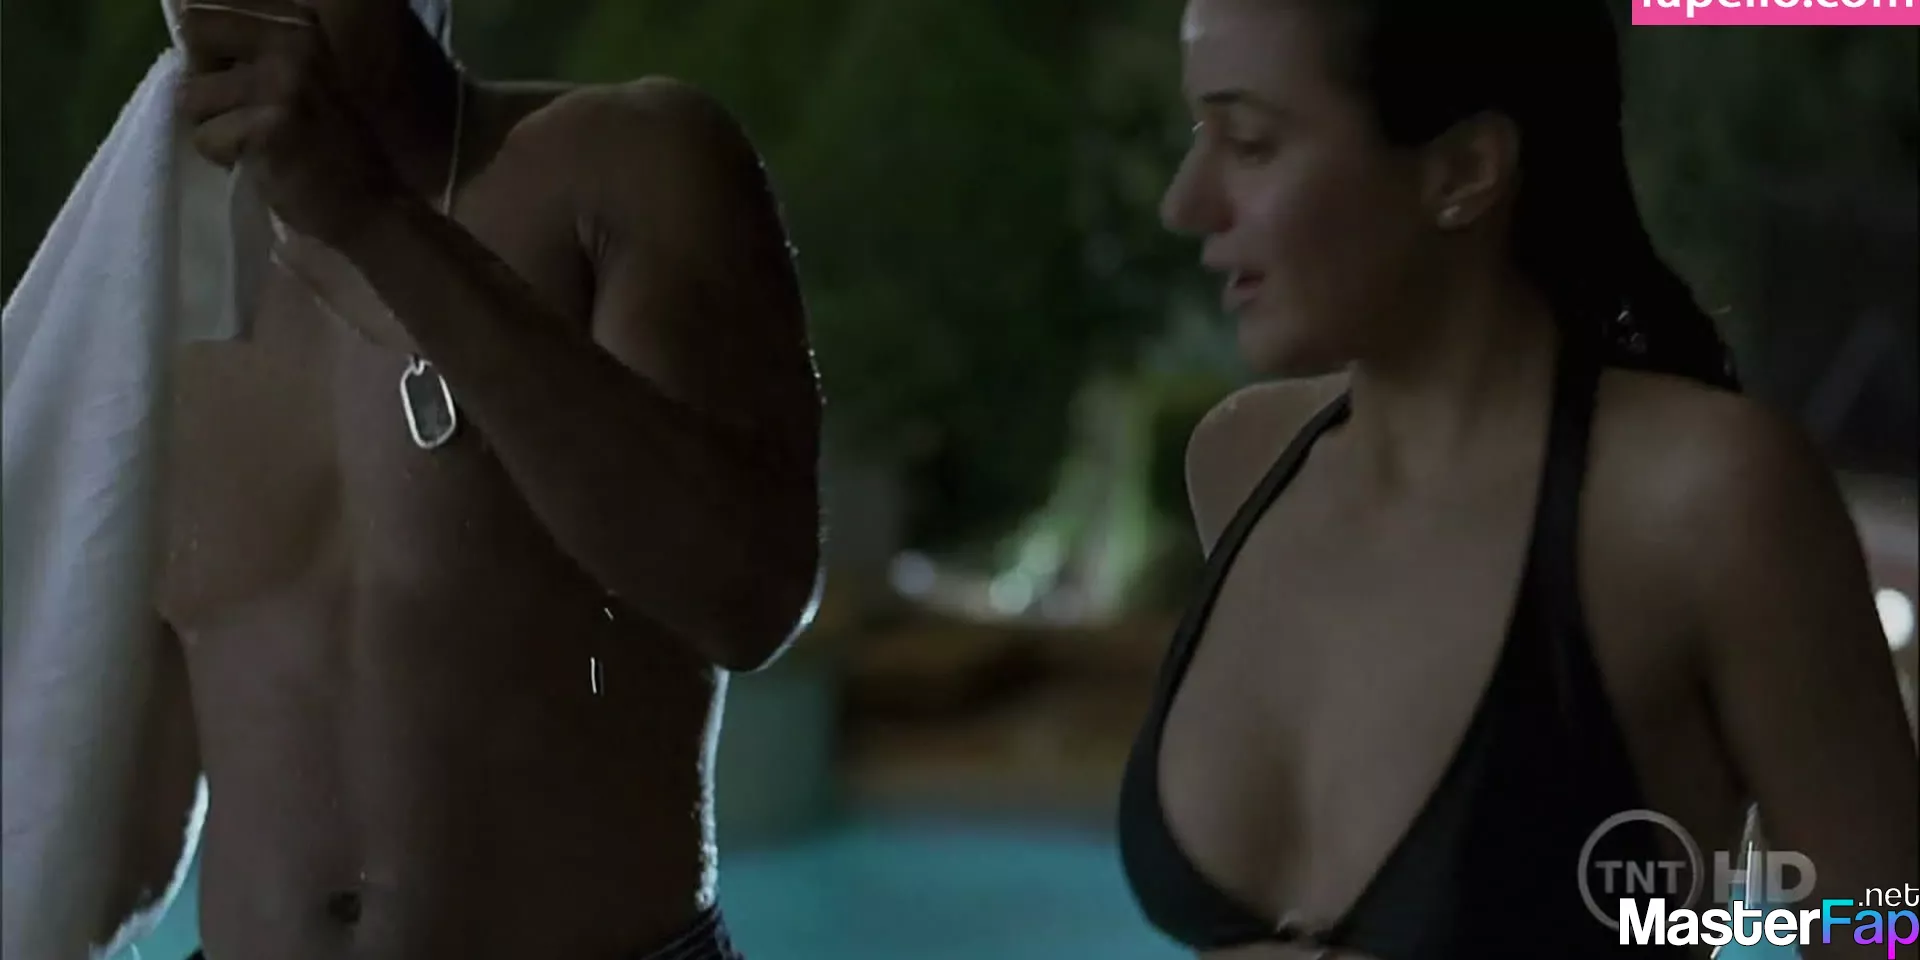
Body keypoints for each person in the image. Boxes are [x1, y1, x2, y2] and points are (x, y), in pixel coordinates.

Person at [1117, 0, 1918, 957]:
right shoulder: (1243, 463)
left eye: (1251, 143)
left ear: (1463, 170)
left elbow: (1888, 921)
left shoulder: (1699, 502)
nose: (1187, 202)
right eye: (1199, 134)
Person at [112, 1, 822, 958]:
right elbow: (116, 835)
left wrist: (373, 221)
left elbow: (750, 597)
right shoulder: (162, 277)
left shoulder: (626, 164)